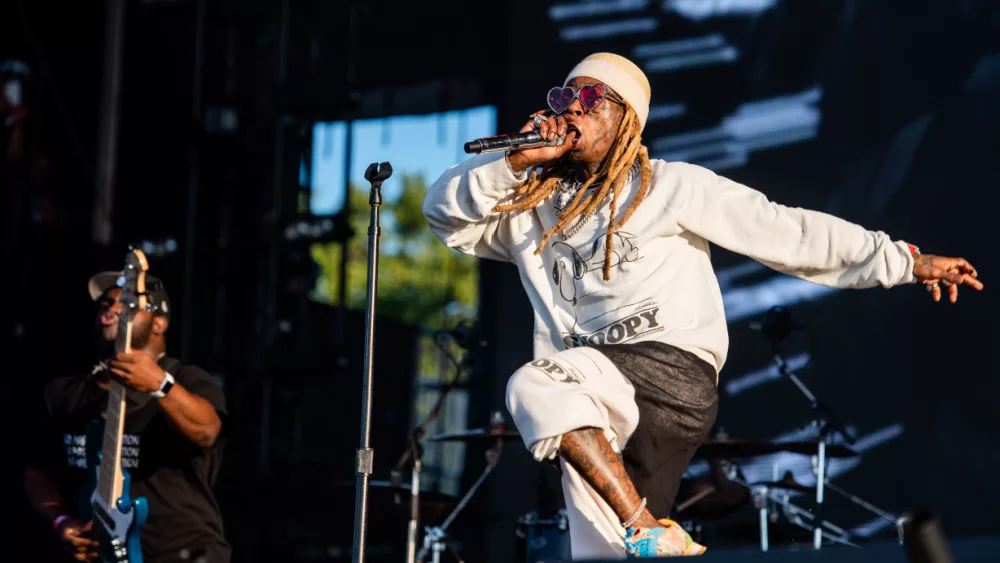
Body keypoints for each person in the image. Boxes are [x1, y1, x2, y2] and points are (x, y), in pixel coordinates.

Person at [422, 52, 983, 558]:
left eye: (590, 98)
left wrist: (902, 261)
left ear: (627, 121)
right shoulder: (531, 212)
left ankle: (644, 524)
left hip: (669, 371)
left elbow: (788, 232)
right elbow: (443, 215)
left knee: (533, 385)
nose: (570, 109)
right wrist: (514, 164)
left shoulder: (670, 186)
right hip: (593, 392)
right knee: (602, 554)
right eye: (563, 96)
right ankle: (650, 535)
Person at [24, 271, 232, 562]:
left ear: (160, 323)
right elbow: (37, 470)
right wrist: (59, 520)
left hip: (180, 554)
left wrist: (160, 385)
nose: (113, 308)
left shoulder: (187, 380)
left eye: (129, 303)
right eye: (106, 303)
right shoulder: (64, 394)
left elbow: (207, 431)